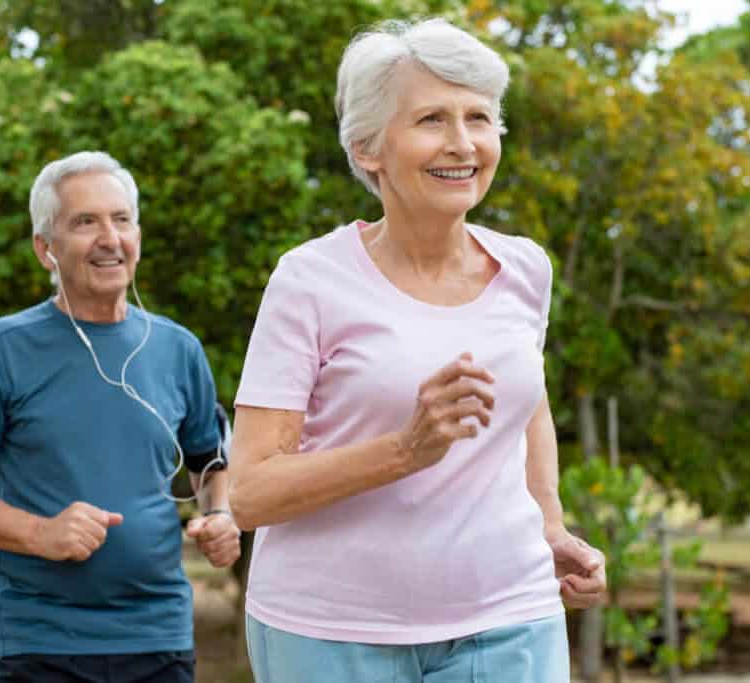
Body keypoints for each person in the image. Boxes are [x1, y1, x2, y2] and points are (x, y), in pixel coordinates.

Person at [229, 19, 606, 682]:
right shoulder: (309, 280)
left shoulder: (526, 270)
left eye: (479, 118)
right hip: (330, 631)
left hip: (510, 615)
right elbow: (248, 493)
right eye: (432, 119)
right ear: (369, 147)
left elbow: (527, 406)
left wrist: (550, 522)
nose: (463, 144)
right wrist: (404, 450)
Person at [0, 151, 241, 683]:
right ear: (47, 249)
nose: (109, 238)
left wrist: (221, 516)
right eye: (85, 222)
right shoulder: (5, 347)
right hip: (43, 644)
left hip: (161, 638)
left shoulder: (178, 348)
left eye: (122, 219)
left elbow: (210, 460)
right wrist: (42, 533)